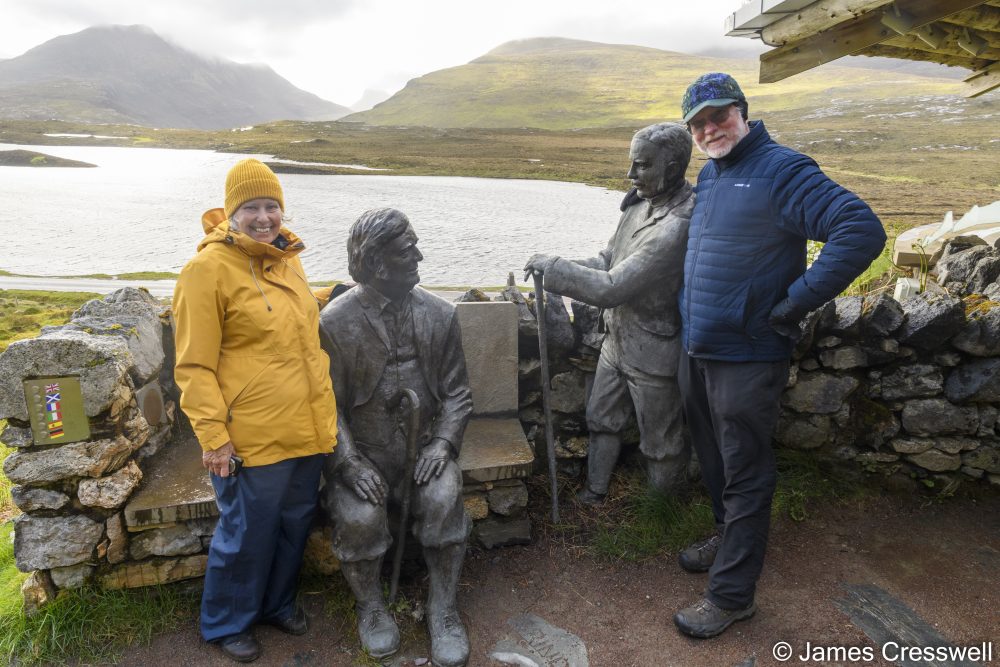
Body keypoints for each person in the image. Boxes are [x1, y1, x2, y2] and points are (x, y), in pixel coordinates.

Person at [672, 73, 886, 639]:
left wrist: (795, 302)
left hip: (748, 352)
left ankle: (732, 595)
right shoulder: (712, 175)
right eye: (698, 124)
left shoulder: (781, 170)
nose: (709, 129)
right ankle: (726, 536)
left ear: (742, 112)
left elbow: (859, 229)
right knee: (714, 457)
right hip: (701, 347)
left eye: (718, 116)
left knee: (745, 470)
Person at [173, 158, 338, 662]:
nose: (264, 217)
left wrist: (331, 297)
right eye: (252, 208)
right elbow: (194, 366)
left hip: (306, 427)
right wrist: (214, 438)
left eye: (272, 206)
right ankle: (226, 624)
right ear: (230, 211)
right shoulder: (205, 271)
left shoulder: (285, 257)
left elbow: (292, 309)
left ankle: (276, 605)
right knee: (245, 533)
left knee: (293, 525)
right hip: (250, 437)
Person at [318, 208, 473, 667]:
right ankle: (370, 606)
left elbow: (459, 395)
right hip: (364, 454)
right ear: (376, 263)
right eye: (407, 251)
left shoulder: (440, 315)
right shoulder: (335, 323)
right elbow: (328, 406)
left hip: (424, 450)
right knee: (361, 518)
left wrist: (443, 445)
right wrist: (347, 463)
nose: (419, 257)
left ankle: (442, 609)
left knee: (444, 499)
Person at [524, 122, 694, 503]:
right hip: (615, 341)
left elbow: (614, 286)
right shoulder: (638, 203)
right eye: (631, 164)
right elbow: (607, 260)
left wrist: (556, 270)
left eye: (642, 165)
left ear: (672, 167)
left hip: (653, 349)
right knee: (601, 418)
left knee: (660, 440)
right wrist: (561, 264)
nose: (630, 175)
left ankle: (662, 513)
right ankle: (595, 491)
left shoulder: (677, 226)